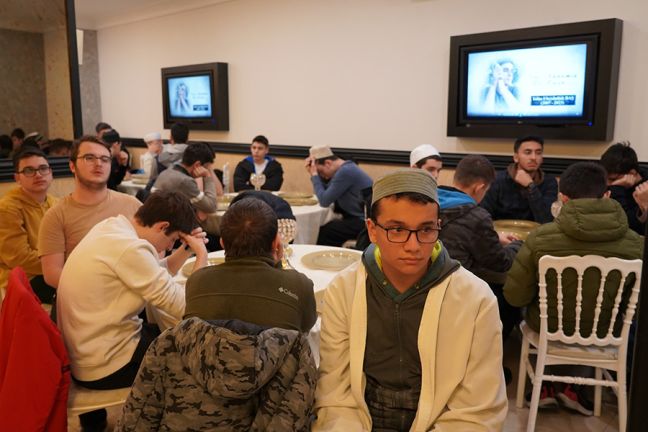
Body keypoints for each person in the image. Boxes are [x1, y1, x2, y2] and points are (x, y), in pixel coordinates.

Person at [313, 168, 507, 431]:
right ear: (372, 230)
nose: (413, 246)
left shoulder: (476, 299)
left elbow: (477, 410)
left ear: (438, 226)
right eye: (397, 229)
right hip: (362, 417)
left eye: (426, 229)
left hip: (442, 419)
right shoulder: (344, 289)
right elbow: (336, 395)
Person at [57, 191, 208, 430]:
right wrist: (201, 255)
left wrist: (186, 250)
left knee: (162, 332)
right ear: (162, 226)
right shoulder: (129, 249)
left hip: (84, 351)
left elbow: (153, 272)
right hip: (103, 365)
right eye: (173, 240)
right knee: (192, 354)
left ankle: (96, 423)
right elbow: (187, 307)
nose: (171, 246)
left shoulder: (112, 228)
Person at [504, 161, 644, 414]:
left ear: (563, 198)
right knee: (596, 313)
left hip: (547, 328)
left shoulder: (540, 238)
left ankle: (546, 386)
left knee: (539, 308)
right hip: (607, 331)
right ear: (607, 195)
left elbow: (515, 296)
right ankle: (575, 389)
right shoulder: (637, 245)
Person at [185, 198, 316, 332]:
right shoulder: (299, 285)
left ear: (222, 243)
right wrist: (277, 264)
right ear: (276, 243)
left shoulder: (197, 282)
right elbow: (305, 328)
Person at [38, 136, 141, 289]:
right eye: (89, 158)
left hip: (133, 291)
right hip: (85, 297)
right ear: (72, 166)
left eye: (105, 159)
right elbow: (52, 273)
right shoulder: (56, 215)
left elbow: (155, 249)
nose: (98, 164)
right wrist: (99, 291)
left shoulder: (132, 204)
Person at [438, 154, 522, 339]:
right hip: (459, 293)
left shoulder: (430, 203)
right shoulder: (476, 216)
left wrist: (495, 236)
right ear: (479, 187)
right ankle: (489, 348)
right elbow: (500, 262)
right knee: (511, 297)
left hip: (428, 286)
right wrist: (518, 245)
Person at [0, 148, 57, 302]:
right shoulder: (7, 208)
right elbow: (18, 258)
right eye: (29, 170)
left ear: (50, 173)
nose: (38, 175)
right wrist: (59, 263)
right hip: (24, 278)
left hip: (51, 269)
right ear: (17, 178)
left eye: (43, 168)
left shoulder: (56, 203)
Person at [305, 145, 373, 246]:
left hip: (363, 221)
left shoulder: (346, 171)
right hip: (357, 217)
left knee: (325, 232)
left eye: (321, 172)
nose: (322, 176)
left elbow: (324, 201)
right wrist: (315, 174)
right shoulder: (346, 168)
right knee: (327, 227)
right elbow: (325, 192)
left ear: (328, 163)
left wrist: (314, 175)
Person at [481, 135, 557, 223]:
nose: (533, 157)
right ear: (516, 158)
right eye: (528, 152)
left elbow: (546, 220)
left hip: (536, 231)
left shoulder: (549, 182)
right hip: (501, 230)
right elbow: (484, 215)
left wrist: (531, 186)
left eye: (538, 153)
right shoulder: (497, 180)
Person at [600, 142, 648, 235]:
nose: (607, 184)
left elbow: (627, 224)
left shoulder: (645, 189)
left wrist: (616, 188)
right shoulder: (606, 182)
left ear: (632, 173)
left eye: (612, 179)